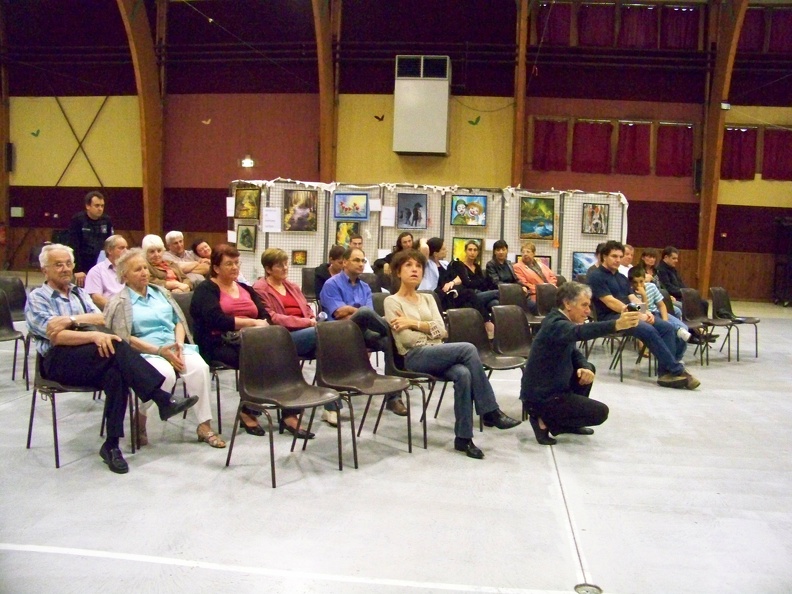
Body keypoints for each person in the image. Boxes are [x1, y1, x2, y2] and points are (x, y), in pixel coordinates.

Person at [25, 244, 198, 474]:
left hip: (91, 354)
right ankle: (160, 397)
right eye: (58, 264)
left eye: (68, 263)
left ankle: (111, 445)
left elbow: (102, 317)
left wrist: (71, 319)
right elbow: (55, 335)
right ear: (45, 270)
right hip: (58, 361)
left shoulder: (79, 293)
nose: (65, 269)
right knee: (117, 342)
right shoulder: (38, 297)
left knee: (116, 374)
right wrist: (92, 333)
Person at [384, 249, 521, 459]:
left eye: (418, 266)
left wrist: (413, 323)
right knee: (467, 349)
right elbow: (406, 340)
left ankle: (463, 438)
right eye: (408, 266)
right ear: (398, 271)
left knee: (463, 374)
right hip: (413, 357)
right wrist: (430, 331)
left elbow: (444, 330)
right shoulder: (392, 302)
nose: (415, 270)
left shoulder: (428, 299)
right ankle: (489, 411)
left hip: (435, 352)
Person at [191, 244, 314, 439]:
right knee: (271, 356)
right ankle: (253, 410)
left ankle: (285, 413)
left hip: (253, 340)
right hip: (218, 344)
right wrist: (250, 323)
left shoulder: (245, 288)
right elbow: (216, 320)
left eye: (237, 263)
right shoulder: (205, 289)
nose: (234, 267)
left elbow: (265, 315)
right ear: (215, 268)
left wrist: (259, 324)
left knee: (282, 354)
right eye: (229, 264)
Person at [105, 249, 224, 449]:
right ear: (124, 276)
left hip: (174, 346)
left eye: (144, 268)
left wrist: (178, 344)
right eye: (137, 270)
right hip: (146, 352)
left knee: (199, 368)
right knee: (164, 375)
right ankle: (140, 421)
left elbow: (178, 321)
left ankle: (204, 425)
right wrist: (160, 351)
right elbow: (123, 338)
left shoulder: (161, 292)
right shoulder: (119, 302)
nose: (143, 272)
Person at [521, 282, 641, 445]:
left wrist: (584, 366)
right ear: (568, 304)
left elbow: (574, 352)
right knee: (600, 412)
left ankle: (567, 423)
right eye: (584, 305)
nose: (588, 311)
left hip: (554, 388)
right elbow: (580, 333)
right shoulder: (556, 324)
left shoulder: (562, 321)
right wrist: (617, 324)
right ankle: (542, 418)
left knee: (588, 368)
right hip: (542, 397)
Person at [588, 240, 700, 390]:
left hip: (629, 314)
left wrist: (645, 311)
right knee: (648, 329)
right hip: (611, 318)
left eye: (620, 256)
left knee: (666, 327)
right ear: (604, 257)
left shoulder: (621, 278)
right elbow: (610, 302)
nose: (617, 260)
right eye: (614, 256)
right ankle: (677, 369)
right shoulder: (596, 276)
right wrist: (636, 314)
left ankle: (665, 374)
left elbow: (632, 298)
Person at [319, 246, 408, 416]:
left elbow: (366, 316)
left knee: (389, 342)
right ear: (345, 262)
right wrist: (358, 311)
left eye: (363, 261)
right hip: (339, 333)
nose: (361, 264)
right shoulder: (331, 284)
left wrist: (351, 309)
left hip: (362, 331)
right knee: (368, 314)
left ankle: (393, 398)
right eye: (356, 260)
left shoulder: (365, 287)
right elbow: (338, 313)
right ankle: (394, 331)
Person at [628, 267, 691, 343]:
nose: (639, 285)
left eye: (641, 281)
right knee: (671, 330)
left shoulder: (651, 287)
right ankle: (677, 331)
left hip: (656, 313)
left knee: (684, 328)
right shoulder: (630, 293)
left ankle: (677, 352)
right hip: (645, 317)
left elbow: (661, 305)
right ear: (631, 282)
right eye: (635, 282)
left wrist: (665, 321)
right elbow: (644, 310)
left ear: (645, 279)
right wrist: (644, 295)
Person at [449, 240, 499, 336]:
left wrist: (475, 283)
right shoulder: (459, 265)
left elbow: (483, 284)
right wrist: (477, 282)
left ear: (478, 252)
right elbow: (467, 283)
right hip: (470, 296)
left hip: (480, 294)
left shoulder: (477, 266)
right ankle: (488, 324)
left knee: (495, 303)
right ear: (466, 251)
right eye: (470, 249)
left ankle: (497, 332)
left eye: (475, 250)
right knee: (499, 292)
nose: (472, 252)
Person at [68, 190, 114, 287]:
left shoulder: (107, 220)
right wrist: (78, 270)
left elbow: (110, 244)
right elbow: (74, 245)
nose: (100, 209)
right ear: (88, 206)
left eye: (102, 206)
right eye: (97, 205)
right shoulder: (78, 220)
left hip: (100, 263)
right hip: (83, 264)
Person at [656, 245, 709, 315]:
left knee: (703, 302)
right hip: (673, 297)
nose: (676, 261)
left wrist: (689, 291)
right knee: (698, 303)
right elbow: (668, 288)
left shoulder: (672, 269)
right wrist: (684, 293)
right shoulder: (661, 270)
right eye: (674, 258)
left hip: (680, 294)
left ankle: (702, 322)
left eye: (677, 258)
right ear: (666, 257)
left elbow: (680, 283)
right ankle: (691, 322)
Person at [84, 234, 128, 310]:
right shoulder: (96, 271)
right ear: (109, 250)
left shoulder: (129, 269)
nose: (126, 251)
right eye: (121, 248)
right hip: (111, 313)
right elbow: (96, 298)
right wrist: (118, 310)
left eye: (126, 248)